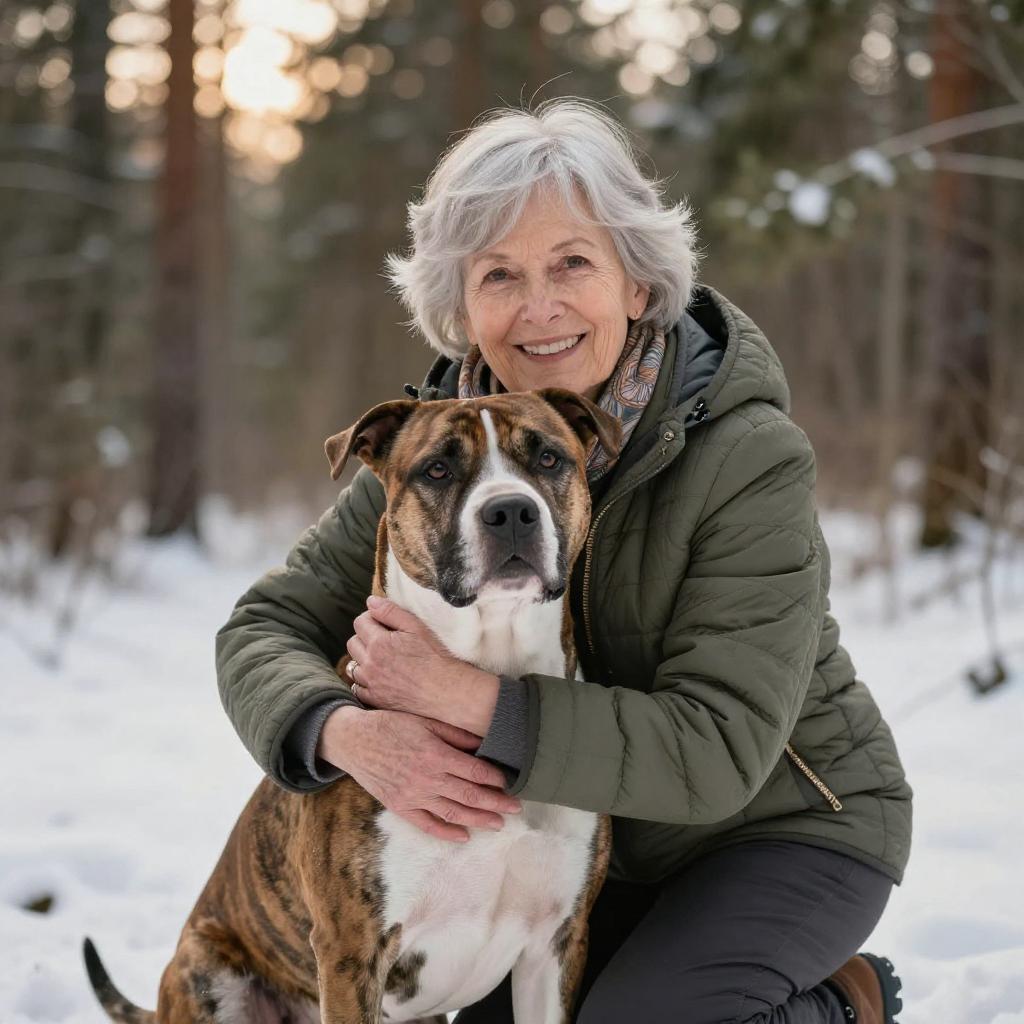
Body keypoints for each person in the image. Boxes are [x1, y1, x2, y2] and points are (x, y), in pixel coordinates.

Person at [215, 99, 912, 1023]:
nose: (537, 307)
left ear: (636, 281)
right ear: (461, 308)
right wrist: (345, 732)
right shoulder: (438, 445)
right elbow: (264, 627)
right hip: (583, 842)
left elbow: (719, 752)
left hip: (779, 829)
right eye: (498, 275)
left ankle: (834, 1005)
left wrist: (461, 699)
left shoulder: (747, 457)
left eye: (572, 263)